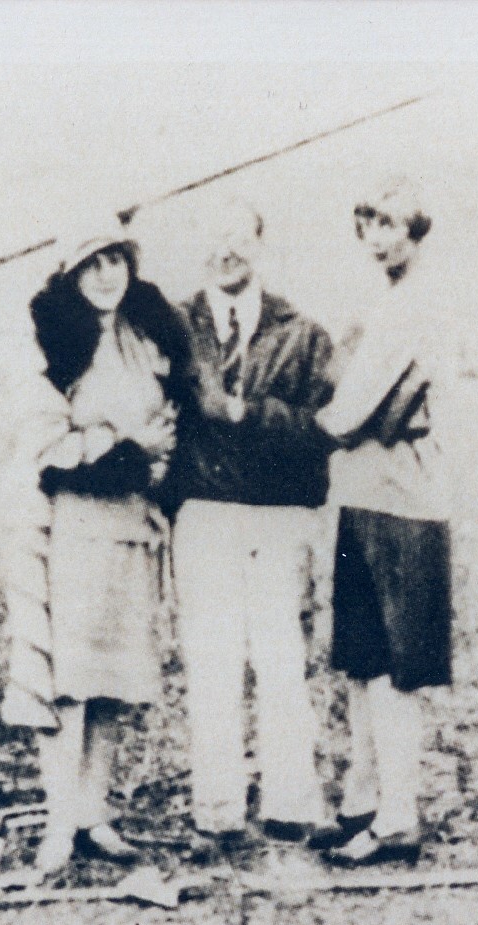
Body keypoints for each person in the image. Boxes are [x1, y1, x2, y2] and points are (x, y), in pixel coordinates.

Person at [3, 225, 191, 875]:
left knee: (112, 677)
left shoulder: (146, 338)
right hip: (76, 528)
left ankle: (94, 814)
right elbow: (49, 449)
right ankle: (58, 824)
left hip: (134, 528)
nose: (109, 274)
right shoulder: (56, 344)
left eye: (118, 261)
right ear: (72, 273)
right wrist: (126, 446)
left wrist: (141, 453)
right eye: (94, 264)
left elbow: (168, 431)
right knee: (69, 682)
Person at [156, 199, 337, 842]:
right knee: (211, 659)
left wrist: (246, 413)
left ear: (261, 242)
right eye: (213, 234)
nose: (225, 248)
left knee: (282, 656)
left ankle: (290, 805)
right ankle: (219, 812)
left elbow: (326, 429)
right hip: (203, 513)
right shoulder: (172, 328)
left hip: (280, 516)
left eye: (238, 234)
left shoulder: (303, 332)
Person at [312, 178, 453, 866]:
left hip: (405, 500)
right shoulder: (386, 300)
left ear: (416, 230)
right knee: (364, 659)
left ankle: (397, 818)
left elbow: (349, 408)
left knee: (395, 670)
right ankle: (364, 802)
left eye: (391, 222)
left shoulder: (415, 304)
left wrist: (291, 429)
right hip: (364, 494)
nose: (377, 235)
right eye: (367, 221)